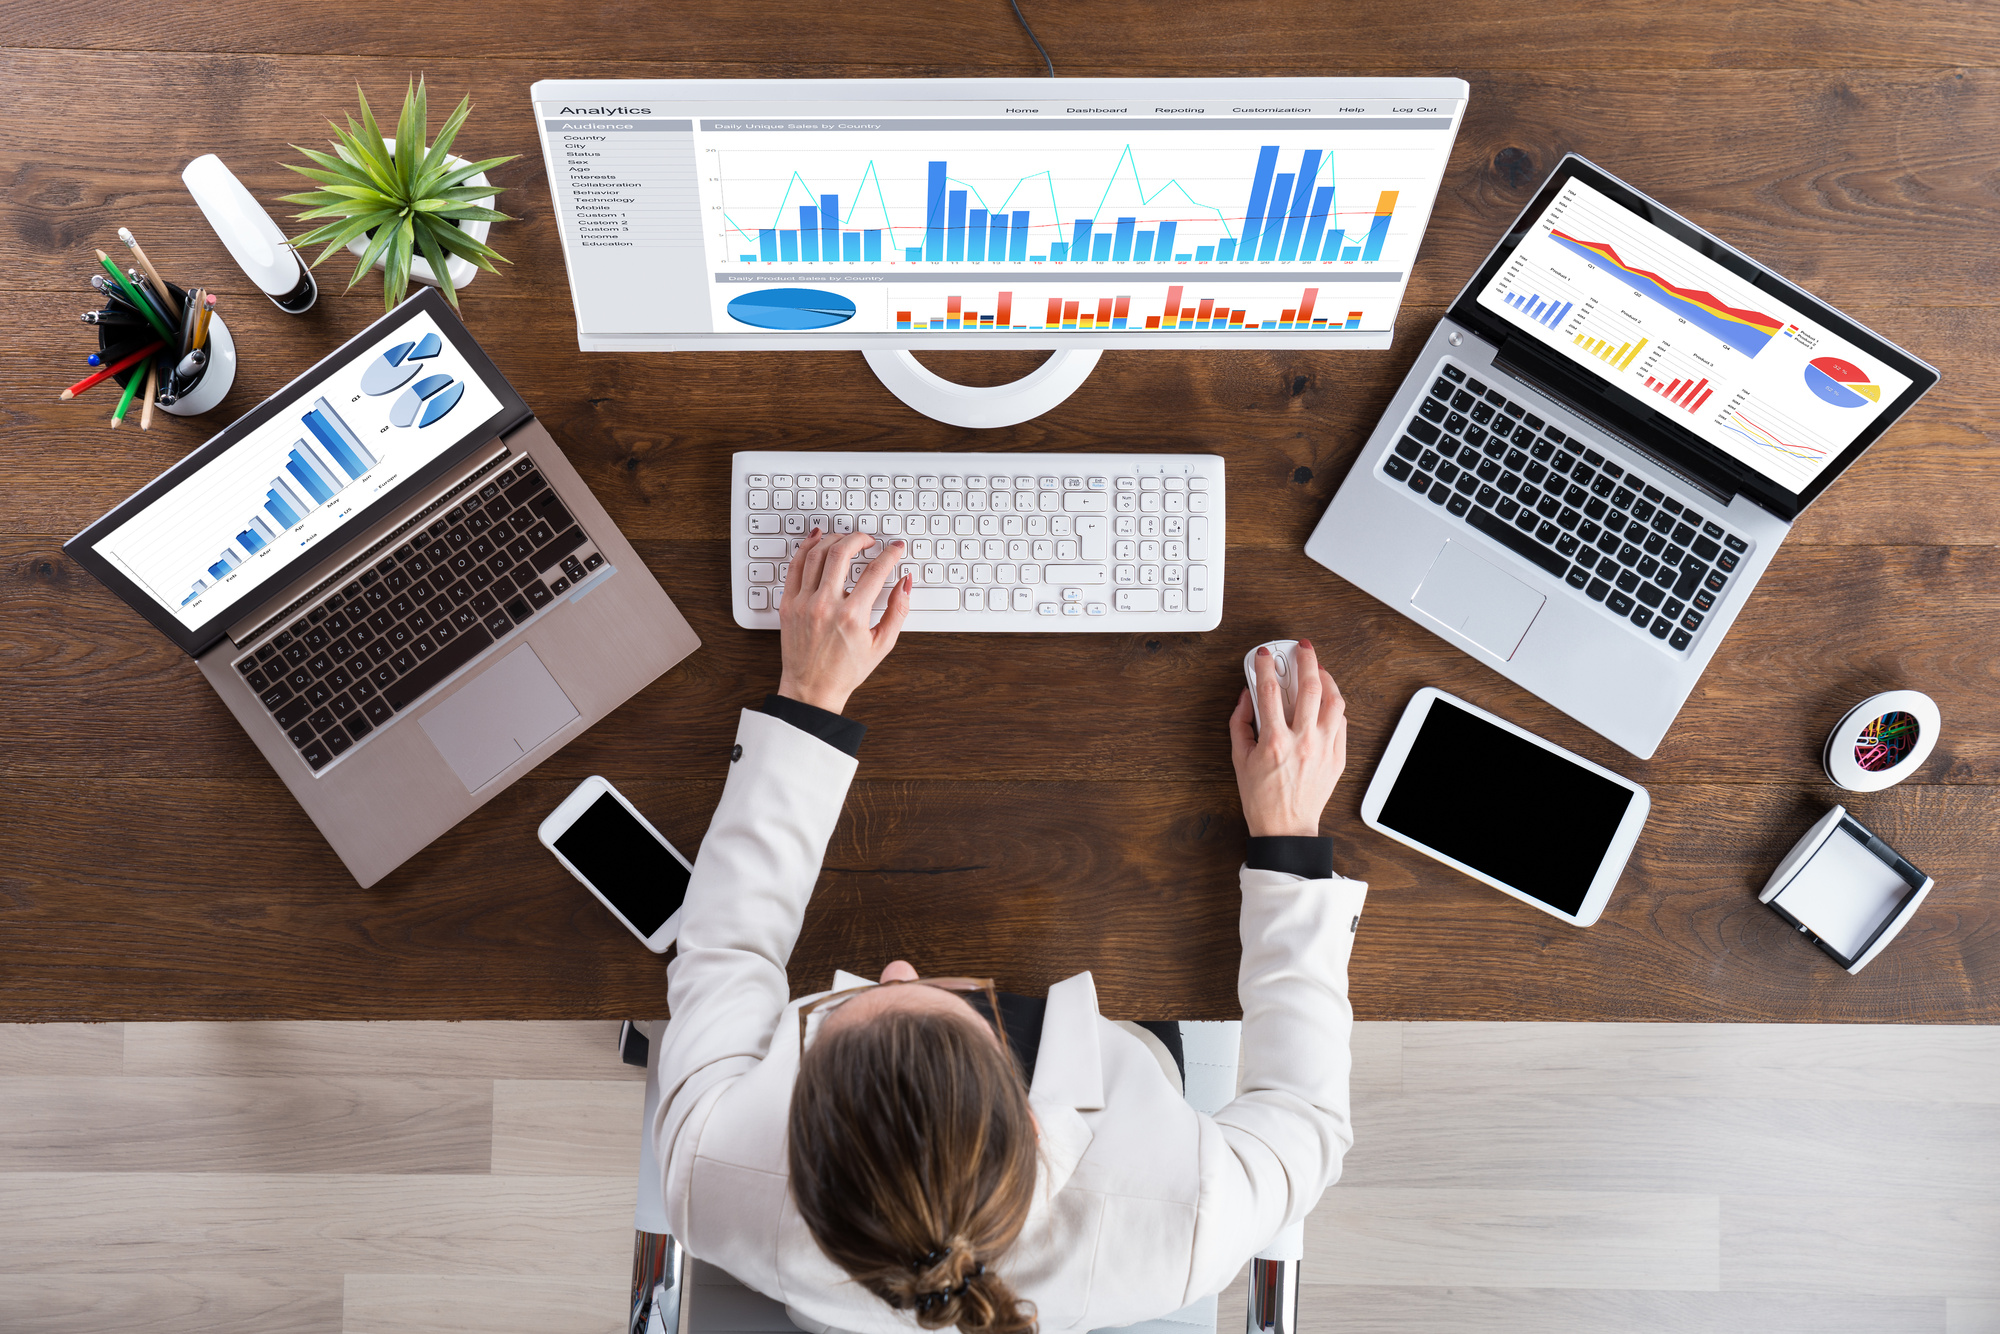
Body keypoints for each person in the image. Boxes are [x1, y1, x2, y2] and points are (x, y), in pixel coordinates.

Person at [652, 527, 1365, 1334]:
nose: (891, 968)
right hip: (1128, 1055)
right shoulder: (1189, 1217)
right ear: (1030, 1113)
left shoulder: (710, 1172)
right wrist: (1289, 834)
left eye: (829, 1024)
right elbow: (1305, 1117)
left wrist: (808, 697)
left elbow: (727, 943)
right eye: (922, 997)